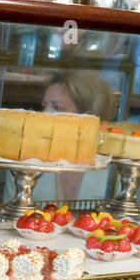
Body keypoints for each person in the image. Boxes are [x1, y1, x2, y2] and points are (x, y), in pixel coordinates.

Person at [42, 71, 117, 201]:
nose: (44, 115)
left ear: (88, 118)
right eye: (44, 106)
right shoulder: (27, 164)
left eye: (57, 108)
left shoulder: (115, 172)